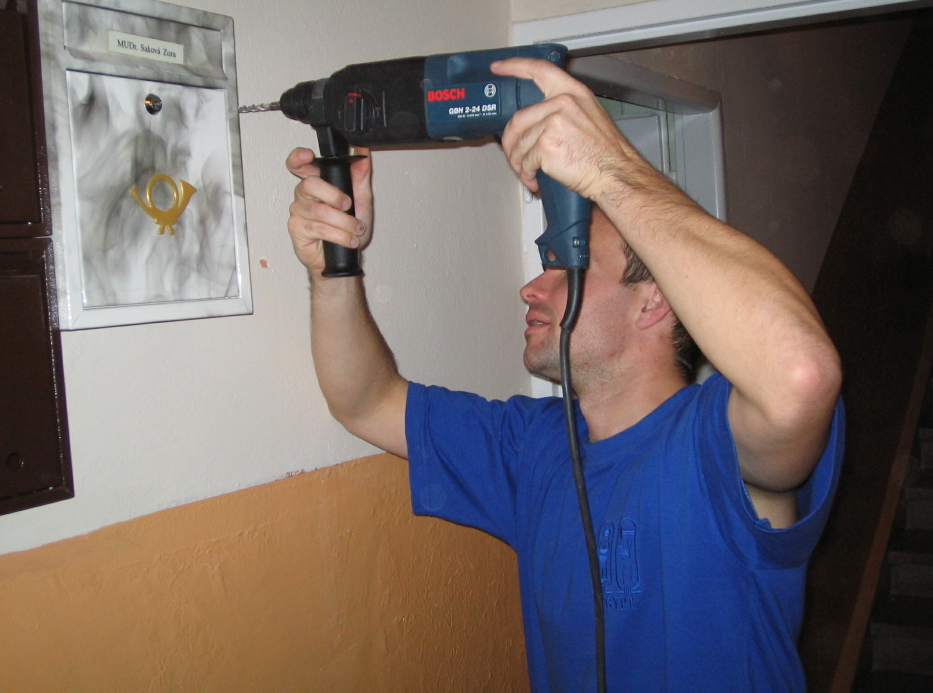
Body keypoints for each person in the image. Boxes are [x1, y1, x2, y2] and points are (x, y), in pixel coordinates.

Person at [285, 57, 844, 692]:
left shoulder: (716, 441)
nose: (532, 287)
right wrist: (332, 269)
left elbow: (801, 375)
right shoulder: (532, 446)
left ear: (653, 301)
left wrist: (611, 169)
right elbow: (365, 402)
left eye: (566, 263)